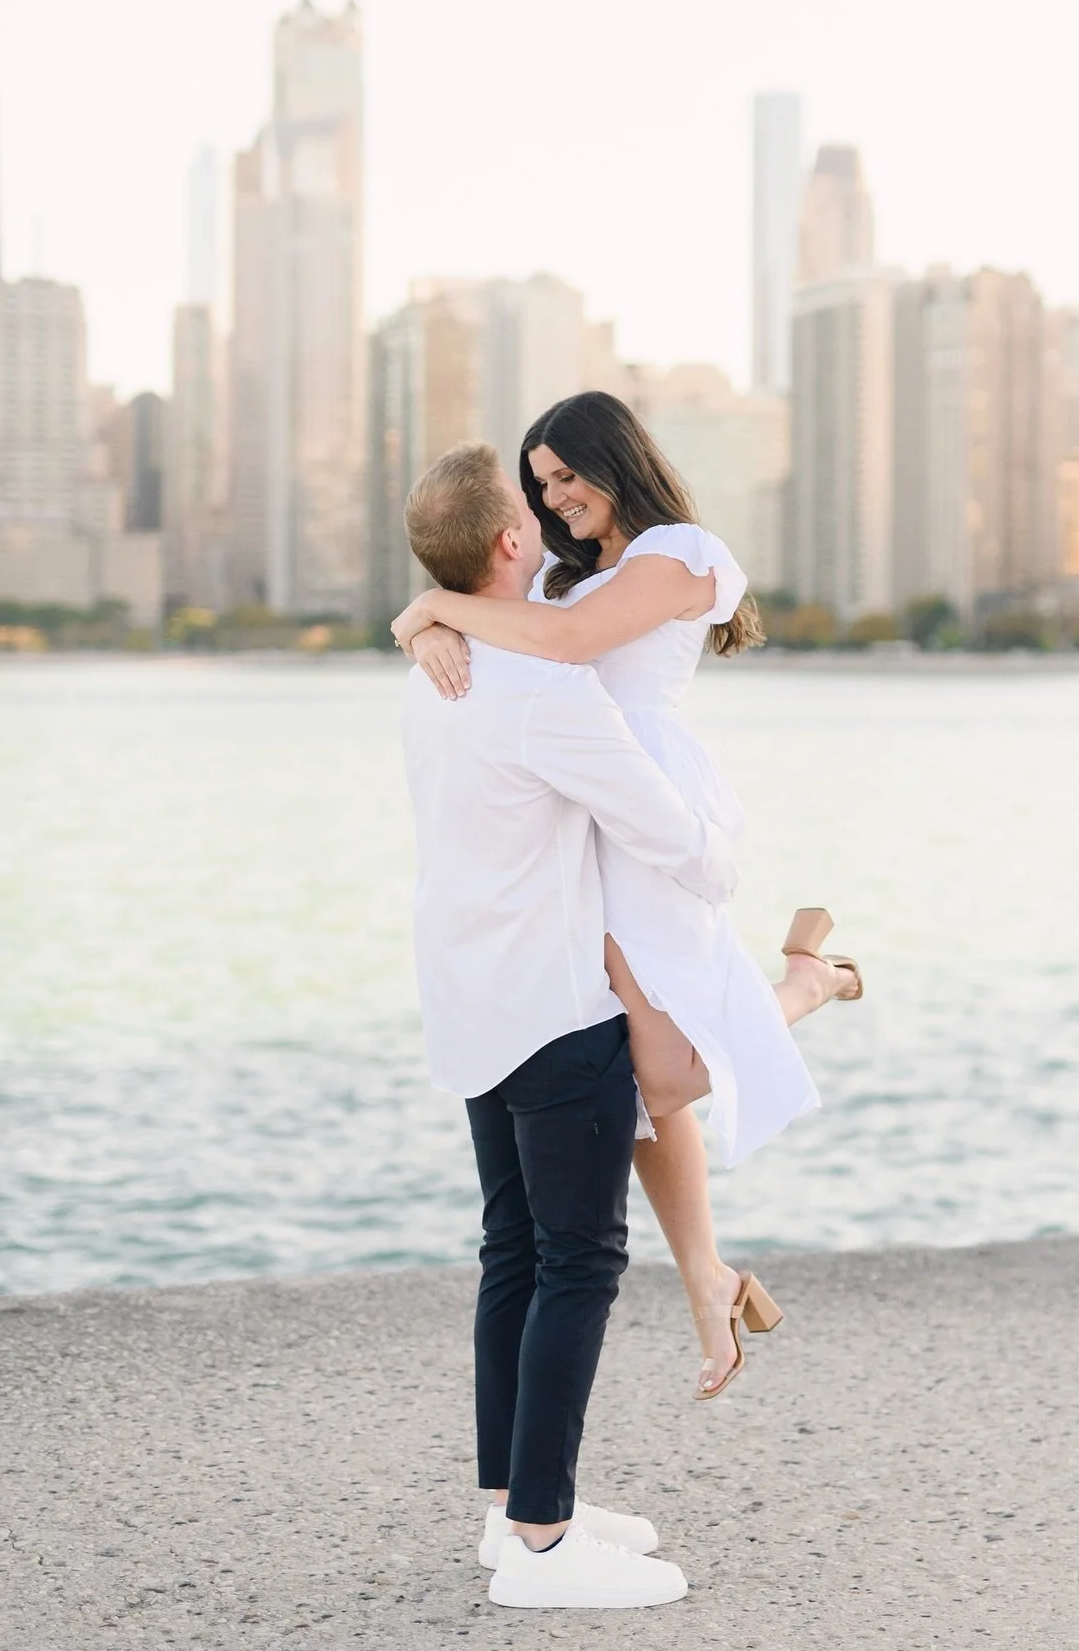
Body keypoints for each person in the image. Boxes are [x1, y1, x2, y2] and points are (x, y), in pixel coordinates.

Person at [392, 388, 863, 1401]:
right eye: (541, 483)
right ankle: (709, 1280)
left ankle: (803, 986)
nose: (556, 496)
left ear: (616, 457)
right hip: (578, 811)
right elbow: (520, 642)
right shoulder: (572, 580)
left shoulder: (683, 556)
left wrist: (429, 607)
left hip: (646, 806)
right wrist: (419, 622)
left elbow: (557, 650)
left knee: (656, 1077)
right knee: (632, 1075)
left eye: (568, 473)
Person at [400, 438, 744, 1609]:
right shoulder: (543, 688)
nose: (546, 517)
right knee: (581, 1261)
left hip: (468, 994)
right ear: (510, 543)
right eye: (527, 507)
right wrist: (721, 850)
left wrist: (421, 617)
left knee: (514, 1250)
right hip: (553, 1005)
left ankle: (511, 1507)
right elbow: (672, 839)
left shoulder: (431, 669)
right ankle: (543, 1546)